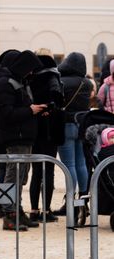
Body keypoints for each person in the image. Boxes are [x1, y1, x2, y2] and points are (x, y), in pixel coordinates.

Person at [0, 49, 45, 231]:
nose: (31, 73)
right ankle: (9, 213)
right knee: (12, 174)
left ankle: (16, 210)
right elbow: (6, 113)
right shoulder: (4, 83)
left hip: (22, 135)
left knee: (20, 175)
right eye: (29, 69)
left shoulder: (18, 82)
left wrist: (35, 110)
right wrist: (31, 110)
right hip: (14, 136)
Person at [27, 50, 65, 222]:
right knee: (48, 170)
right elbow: (57, 96)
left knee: (36, 170)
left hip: (34, 127)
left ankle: (34, 210)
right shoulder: (53, 75)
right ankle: (46, 210)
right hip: (50, 128)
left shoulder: (30, 77)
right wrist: (50, 108)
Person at [55, 52, 93, 216]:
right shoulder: (88, 84)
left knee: (68, 164)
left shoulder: (62, 81)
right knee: (81, 164)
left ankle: (70, 201)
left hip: (66, 125)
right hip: (82, 125)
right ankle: (83, 200)